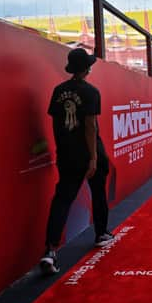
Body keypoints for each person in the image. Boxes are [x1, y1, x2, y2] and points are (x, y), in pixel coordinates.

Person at [40, 48, 114, 275]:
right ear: (86, 68)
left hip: (67, 155)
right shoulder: (91, 92)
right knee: (98, 192)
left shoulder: (58, 91)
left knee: (62, 200)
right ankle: (101, 233)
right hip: (89, 153)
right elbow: (90, 127)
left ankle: (50, 251)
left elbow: (56, 124)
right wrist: (92, 158)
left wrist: (62, 151)